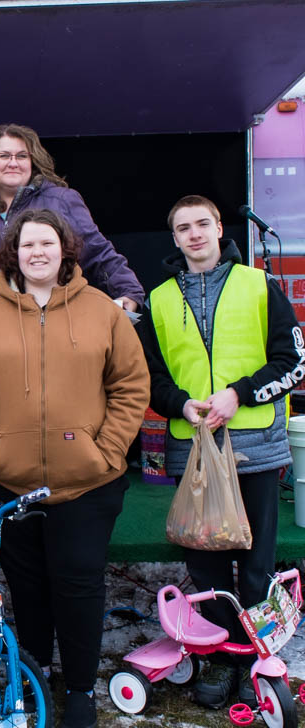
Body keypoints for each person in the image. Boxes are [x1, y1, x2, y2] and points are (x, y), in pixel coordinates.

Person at [0, 209, 149, 728]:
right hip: (7, 483)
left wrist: (107, 451)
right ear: (13, 254)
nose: (38, 253)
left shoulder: (102, 310)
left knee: (78, 585)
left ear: (65, 251)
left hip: (87, 483)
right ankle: (32, 678)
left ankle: (78, 690)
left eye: (48, 244)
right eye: (28, 245)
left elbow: (130, 386)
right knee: (27, 589)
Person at [138, 195, 305, 709]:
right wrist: (180, 404)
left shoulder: (260, 286)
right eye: (183, 227)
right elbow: (148, 377)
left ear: (219, 229)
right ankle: (218, 658)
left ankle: (253, 659)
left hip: (255, 446)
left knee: (255, 566)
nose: (194, 234)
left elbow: (293, 361)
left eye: (202, 224)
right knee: (207, 567)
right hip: (194, 450)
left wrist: (240, 393)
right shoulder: (159, 299)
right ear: (174, 238)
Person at [0, 123, 144, 309]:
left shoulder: (61, 200)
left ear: (33, 161)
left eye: (21, 156)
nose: (13, 163)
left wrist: (128, 290)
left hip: (59, 316)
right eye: (4, 156)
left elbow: (98, 252)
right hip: (3, 321)